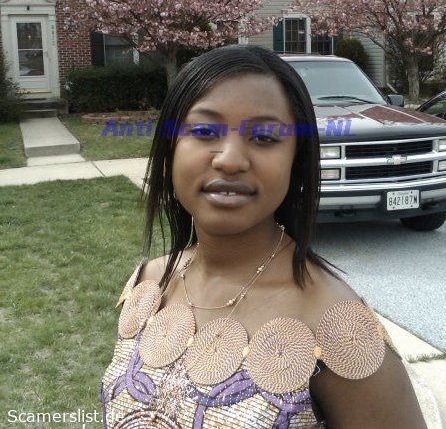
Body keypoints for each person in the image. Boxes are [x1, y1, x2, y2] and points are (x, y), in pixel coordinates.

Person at [101, 44, 427, 428]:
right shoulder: (150, 283)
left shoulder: (339, 329)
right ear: (171, 149)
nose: (230, 160)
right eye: (204, 131)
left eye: (265, 137)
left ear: (295, 160)